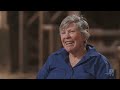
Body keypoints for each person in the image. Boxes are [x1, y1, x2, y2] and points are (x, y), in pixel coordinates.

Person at [37, 15, 115, 79]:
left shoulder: (100, 62)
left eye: (71, 31)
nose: (66, 36)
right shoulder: (53, 58)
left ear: (84, 36)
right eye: (63, 33)